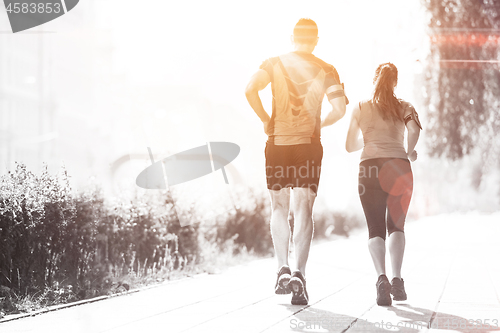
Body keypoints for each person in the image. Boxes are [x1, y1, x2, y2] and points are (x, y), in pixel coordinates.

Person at [245, 18, 347, 305]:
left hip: (277, 143)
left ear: (292, 38)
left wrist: (267, 120)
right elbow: (339, 109)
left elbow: (250, 89)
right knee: (303, 206)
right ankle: (300, 274)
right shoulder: (327, 69)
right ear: (316, 40)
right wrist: (319, 124)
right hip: (308, 145)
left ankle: (282, 268)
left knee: (279, 206)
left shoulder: (273, 63)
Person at [345, 62, 422, 306]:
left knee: (375, 229)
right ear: (395, 82)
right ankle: (397, 281)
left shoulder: (360, 107)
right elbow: (414, 129)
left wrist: (368, 141)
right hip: (399, 166)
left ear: (375, 80)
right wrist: (409, 151)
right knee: (396, 227)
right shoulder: (405, 106)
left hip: (369, 168)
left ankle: (381, 280)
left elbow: (348, 146)